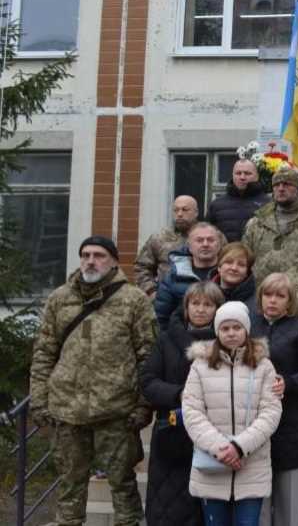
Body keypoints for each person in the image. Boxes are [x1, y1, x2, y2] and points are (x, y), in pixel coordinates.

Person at [30, 236, 157, 526]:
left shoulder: (133, 299)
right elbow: (44, 352)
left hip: (116, 410)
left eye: (99, 255)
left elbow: (148, 355)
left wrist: (142, 405)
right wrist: (39, 400)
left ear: (113, 260)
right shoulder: (61, 298)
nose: (91, 260)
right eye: (85, 254)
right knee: (70, 486)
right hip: (67, 409)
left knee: (123, 486)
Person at [182, 301, 282, 526]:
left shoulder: (264, 366)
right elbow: (192, 412)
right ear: (217, 331)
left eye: (237, 327)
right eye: (225, 328)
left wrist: (239, 447)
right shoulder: (200, 366)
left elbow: (270, 412)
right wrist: (221, 449)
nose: (231, 333)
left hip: (251, 466)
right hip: (212, 465)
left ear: (246, 330)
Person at [140, 281, 224, 526]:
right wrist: (180, 394)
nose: (200, 309)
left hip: (214, 433)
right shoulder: (166, 340)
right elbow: (147, 380)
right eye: (195, 303)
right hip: (172, 432)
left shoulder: (228, 340)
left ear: (217, 308)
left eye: (208, 304)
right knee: (168, 508)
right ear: (186, 308)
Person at [251, 273, 298, 526]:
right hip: (256, 422)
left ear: (290, 301)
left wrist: (288, 383)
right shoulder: (250, 325)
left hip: (292, 421)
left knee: (291, 503)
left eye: (280, 296)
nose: (273, 301)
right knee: (258, 502)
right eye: (268, 295)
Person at [243, 164, 298, 281]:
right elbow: (244, 259)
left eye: (287, 184)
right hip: (263, 292)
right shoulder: (256, 223)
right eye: (276, 185)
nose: (280, 188)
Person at [154, 222, 224, 331]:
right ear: (189, 247)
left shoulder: (229, 275)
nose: (205, 244)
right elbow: (161, 319)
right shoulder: (173, 277)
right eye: (199, 240)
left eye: (210, 240)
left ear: (219, 245)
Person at [134, 195, 199, 296]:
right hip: (165, 297)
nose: (180, 214)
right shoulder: (160, 238)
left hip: (201, 298)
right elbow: (141, 267)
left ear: (196, 213)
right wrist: (151, 291)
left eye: (185, 210)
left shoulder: (209, 237)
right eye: (176, 210)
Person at [207, 158, 272, 243]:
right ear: (232, 175)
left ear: (257, 176)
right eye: (238, 173)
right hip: (226, 255)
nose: (242, 177)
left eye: (247, 173)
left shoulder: (269, 204)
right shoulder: (216, 205)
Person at [216, 241, 258, 311]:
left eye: (241, 265)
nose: (234, 268)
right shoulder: (204, 295)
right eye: (229, 262)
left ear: (247, 272)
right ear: (219, 267)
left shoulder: (258, 302)